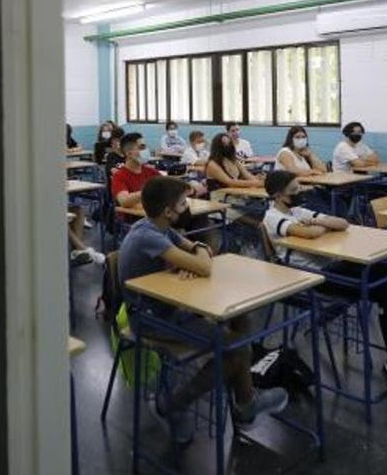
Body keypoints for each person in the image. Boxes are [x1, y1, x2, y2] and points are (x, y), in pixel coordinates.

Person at [262, 171, 387, 408]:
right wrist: (319, 224)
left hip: (333, 263)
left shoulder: (298, 212)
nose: (301, 193)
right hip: (311, 277)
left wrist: (318, 222)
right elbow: (310, 233)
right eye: (294, 191)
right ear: (277, 195)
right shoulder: (272, 217)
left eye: (300, 188)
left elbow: (342, 223)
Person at [119, 176, 288, 443]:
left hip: (171, 306)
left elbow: (202, 251)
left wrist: (193, 255)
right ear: (168, 211)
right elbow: (205, 265)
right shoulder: (147, 235)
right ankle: (174, 405)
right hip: (150, 320)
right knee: (238, 347)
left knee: (238, 315)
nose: (187, 206)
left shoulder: (160, 227)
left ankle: (243, 399)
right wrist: (193, 260)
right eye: (183, 202)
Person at [110, 132, 159, 210]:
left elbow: (167, 187)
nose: (146, 150)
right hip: (133, 220)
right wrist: (148, 191)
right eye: (142, 147)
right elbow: (124, 201)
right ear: (129, 153)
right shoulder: (119, 176)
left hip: (152, 215)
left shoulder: (152, 172)